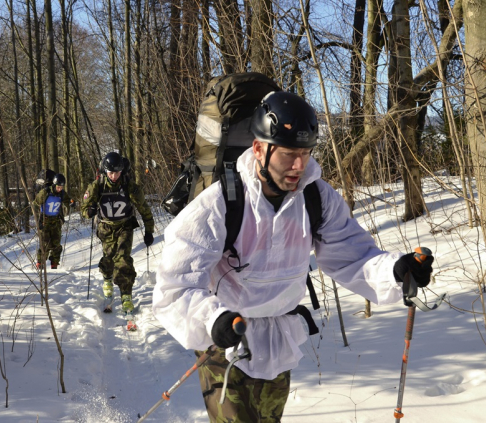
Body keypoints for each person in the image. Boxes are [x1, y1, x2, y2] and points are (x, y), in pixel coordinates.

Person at [152, 91, 434, 421]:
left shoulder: (315, 196)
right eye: (288, 154)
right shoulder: (221, 203)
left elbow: (353, 256)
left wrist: (394, 270)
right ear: (259, 148)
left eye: (305, 153)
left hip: (278, 340)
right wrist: (212, 318)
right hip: (227, 340)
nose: (299, 165)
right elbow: (176, 285)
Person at [81, 151, 155, 312]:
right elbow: (84, 209)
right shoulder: (97, 186)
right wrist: (90, 210)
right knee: (109, 258)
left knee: (123, 259)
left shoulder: (129, 186)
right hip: (106, 227)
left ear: (122, 171)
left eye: (117, 172)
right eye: (111, 173)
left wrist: (149, 230)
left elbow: (144, 208)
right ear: (105, 171)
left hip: (125, 226)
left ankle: (126, 294)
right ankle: (107, 278)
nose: (114, 176)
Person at [33, 173, 70, 269]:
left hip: (56, 220)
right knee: (45, 243)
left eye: (61, 187)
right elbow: (36, 202)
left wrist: (71, 203)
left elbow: (67, 200)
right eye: (58, 187)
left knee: (56, 244)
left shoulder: (62, 193)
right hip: (45, 220)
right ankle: (40, 263)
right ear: (54, 185)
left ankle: (54, 263)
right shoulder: (46, 192)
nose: (59, 189)